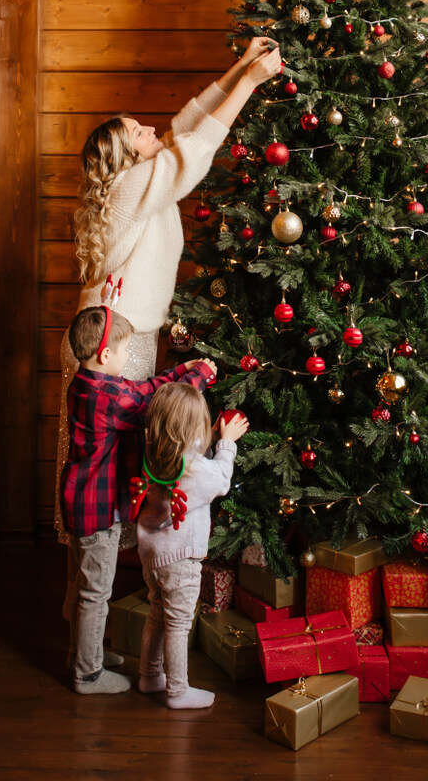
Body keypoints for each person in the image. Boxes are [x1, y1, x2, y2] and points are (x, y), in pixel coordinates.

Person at [54, 36, 281, 548]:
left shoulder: (136, 182)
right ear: (124, 154)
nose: (152, 128)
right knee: (99, 477)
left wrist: (239, 66)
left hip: (120, 335)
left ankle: (87, 600)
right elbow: (194, 150)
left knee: (100, 471)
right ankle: (92, 600)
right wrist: (248, 82)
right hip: (112, 343)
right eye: (139, 130)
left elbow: (186, 126)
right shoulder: (133, 184)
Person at [60, 303, 217, 694]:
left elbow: (143, 388)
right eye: (125, 351)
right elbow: (155, 404)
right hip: (95, 510)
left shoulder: (88, 383)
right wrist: (198, 376)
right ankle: (87, 674)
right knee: (95, 592)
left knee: (87, 586)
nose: (129, 357)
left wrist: (181, 370)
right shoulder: (108, 398)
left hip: (81, 502)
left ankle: (84, 652)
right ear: (105, 354)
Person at [134, 383, 248, 708]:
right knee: (179, 622)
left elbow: (192, 449)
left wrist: (209, 436)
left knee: (158, 612)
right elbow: (221, 479)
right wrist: (226, 443)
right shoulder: (196, 469)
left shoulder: (157, 451)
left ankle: (149, 675)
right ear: (190, 430)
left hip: (153, 551)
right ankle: (178, 691)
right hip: (180, 556)